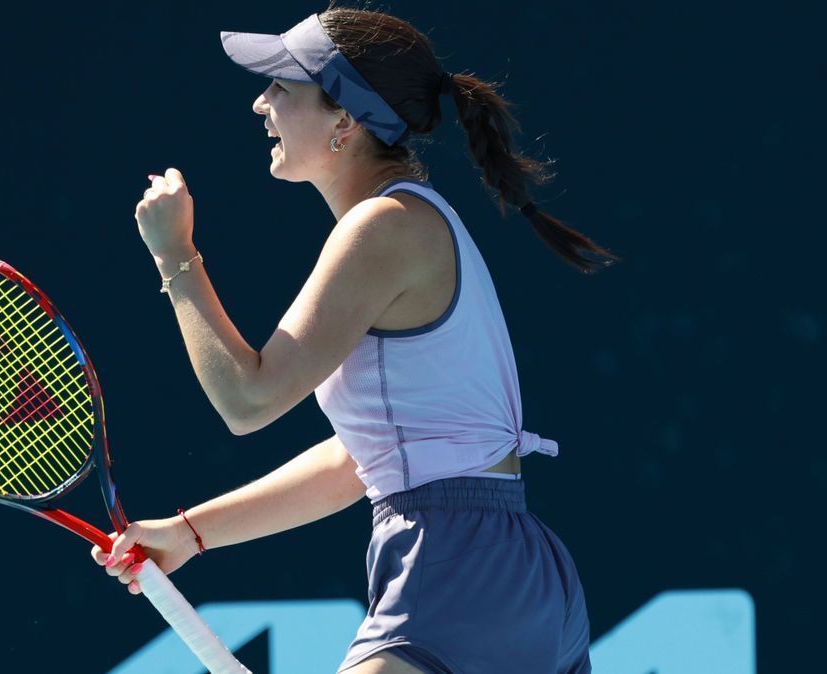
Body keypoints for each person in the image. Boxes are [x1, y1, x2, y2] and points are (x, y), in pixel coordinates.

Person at [92, 7, 614, 673]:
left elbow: (247, 400)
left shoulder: (383, 229)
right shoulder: (414, 221)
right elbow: (358, 458)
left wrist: (175, 257)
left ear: (346, 121)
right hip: (525, 581)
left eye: (282, 86)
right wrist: (193, 534)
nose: (261, 103)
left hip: (450, 568)